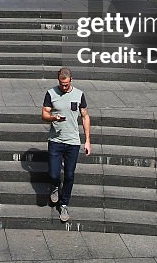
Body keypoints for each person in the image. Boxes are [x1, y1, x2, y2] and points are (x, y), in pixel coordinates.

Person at [41, 67, 91, 223]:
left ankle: (64, 204)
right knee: (54, 174)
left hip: (73, 142)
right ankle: (55, 186)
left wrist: (88, 140)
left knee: (69, 175)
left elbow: (85, 116)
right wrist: (54, 118)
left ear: (71, 80)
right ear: (58, 81)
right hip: (56, 140)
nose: (64, 87)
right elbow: (44, 114)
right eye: (61, 84)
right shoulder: (51, 93)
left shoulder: (79, 94)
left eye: (66, 84)